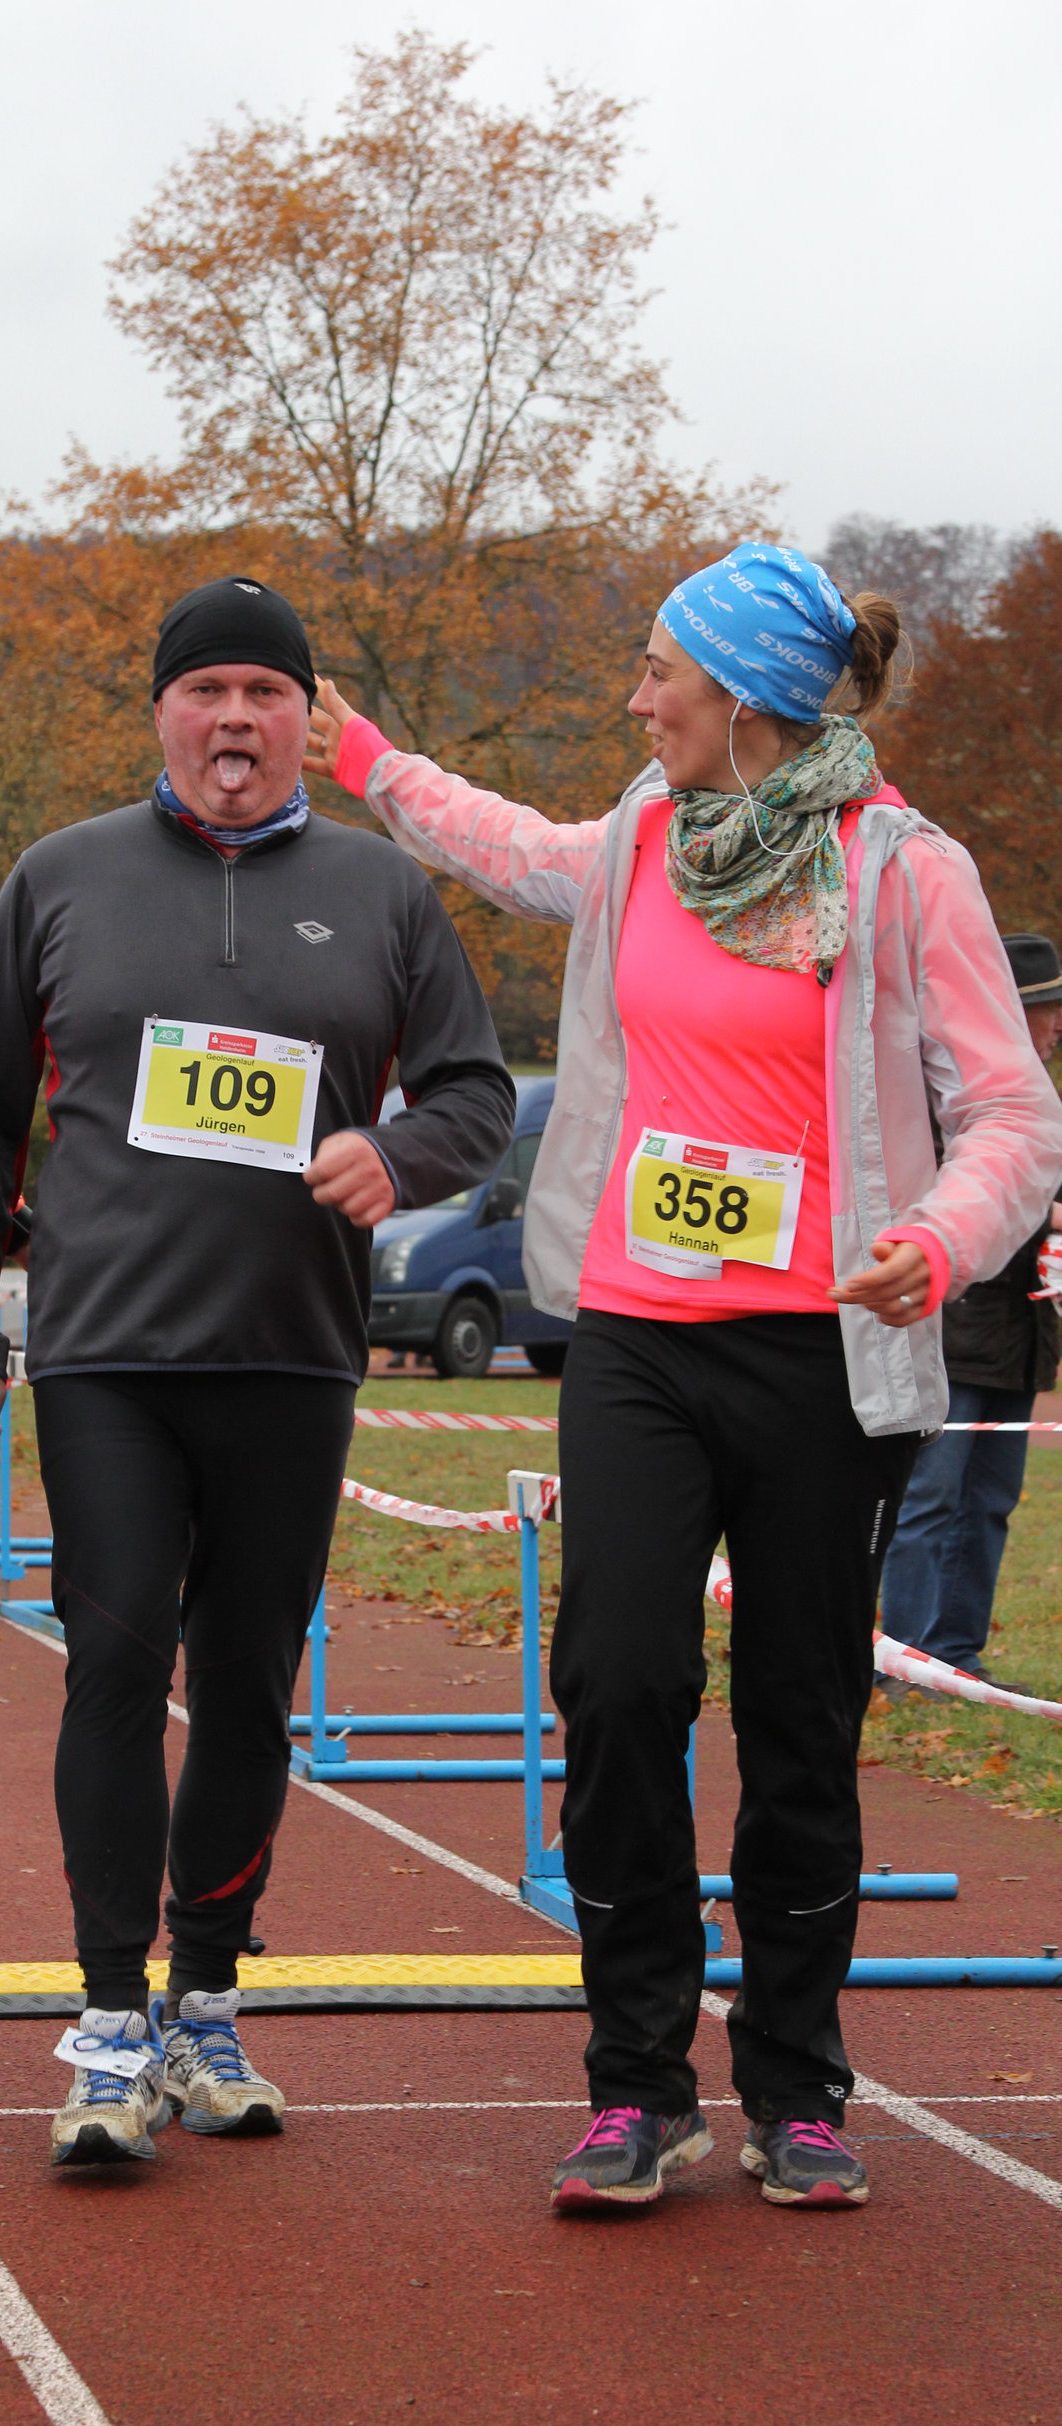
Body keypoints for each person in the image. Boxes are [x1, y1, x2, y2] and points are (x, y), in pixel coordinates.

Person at [306, 543, 1062, 2210]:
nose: (634, 700)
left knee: (801, 1712)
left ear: (744, 701)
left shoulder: (900, 871)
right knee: (619, 1677)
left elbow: (1014, 1112)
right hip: (638, 1335)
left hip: (820, 1351)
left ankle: (795, 2086)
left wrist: (935, 1243)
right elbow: (510, 846)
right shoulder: (645, 837)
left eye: (659, 674)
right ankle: (637, 2082)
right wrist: (362, 757)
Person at [0, 575, 514, 2167]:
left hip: (293, 1355)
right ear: (162, 714)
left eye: (268, 692)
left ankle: (205, 2001)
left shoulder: (384, 892)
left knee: (249, 1688)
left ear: (308, 720)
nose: (237, 718)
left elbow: (474, 1092)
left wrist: (397, 1155)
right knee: (115, 1666)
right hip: (107, 1353)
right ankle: (110, 2022)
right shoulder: (61, 877)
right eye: (208, 691)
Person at [878, 932, 1062, 1689]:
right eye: (1047, 1009)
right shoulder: (946, 1097)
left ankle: (960, 1657)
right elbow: (950, 1206)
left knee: (988, 1502)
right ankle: (905, 1660)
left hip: (1021, 1338)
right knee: (930, 1498)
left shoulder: (1039, 1101)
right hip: (952, 1332)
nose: (1057, 1025)